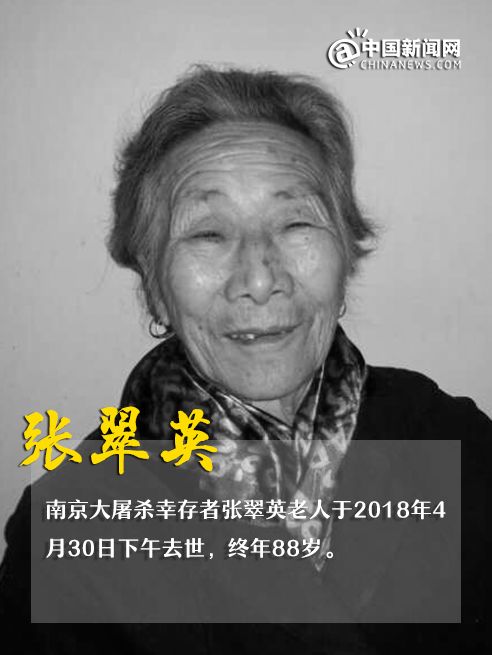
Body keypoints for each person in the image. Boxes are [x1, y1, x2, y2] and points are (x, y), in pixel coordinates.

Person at [1, 65, 491, 653]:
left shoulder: (453, 440)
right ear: (155, 286)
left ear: (345, 260)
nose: (259, 280)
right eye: (208, 234)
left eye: (296, 222)